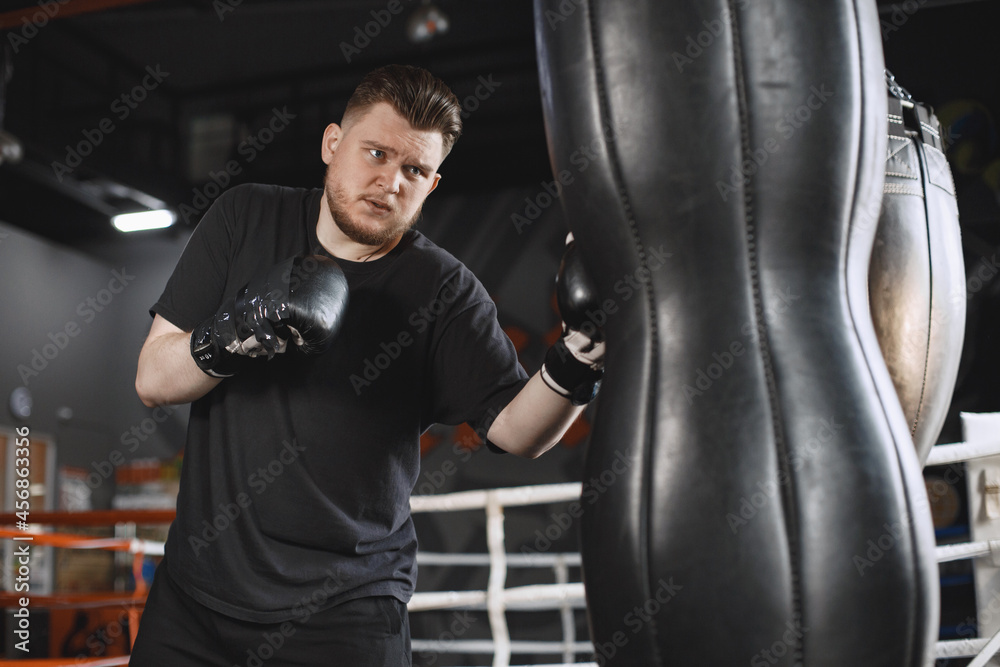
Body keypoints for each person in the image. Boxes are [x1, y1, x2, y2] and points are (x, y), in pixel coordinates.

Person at [131, 64, 604, 666]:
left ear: (432, 184)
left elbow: (517, 432)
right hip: (194, 600)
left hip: (344, 613)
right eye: (376, 153)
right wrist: (240, 328)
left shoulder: (443, 290)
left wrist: (582, 353)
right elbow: (153, 380)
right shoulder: (244, 217)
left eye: (415, 170)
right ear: (333, 144)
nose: (391, 182)